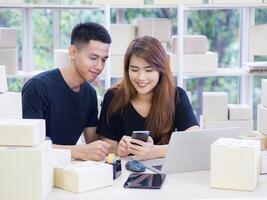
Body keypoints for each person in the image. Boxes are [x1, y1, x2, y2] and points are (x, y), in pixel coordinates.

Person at [97, 36, 199, 160]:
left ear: (161, 70)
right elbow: (108, 148)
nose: (141, 77)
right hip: (125, 173)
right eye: (134, 69)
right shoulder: (113, 97)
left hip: (167, 173)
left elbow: (194, 141)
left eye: (149, 70)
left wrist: (154, 151)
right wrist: (119, 150)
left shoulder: (176, 96)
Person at [22, 22, 111, 161]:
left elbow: (93, 143)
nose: (99, 66)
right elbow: (32, 146)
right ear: (73, 52)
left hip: (69, 169)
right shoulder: (38, 87)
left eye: (104, 60)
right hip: (37, 170)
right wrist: (79, 152)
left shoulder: (90, 94)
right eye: (93, 58)